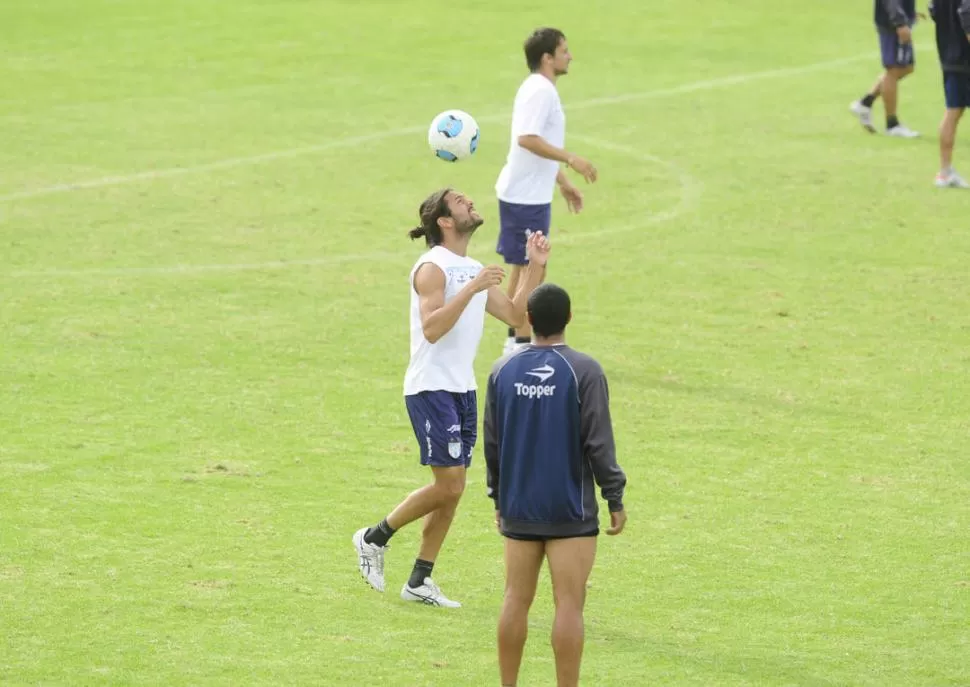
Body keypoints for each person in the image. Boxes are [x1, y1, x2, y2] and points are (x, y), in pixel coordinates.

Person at [352, 188, 550, 608]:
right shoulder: (432, 267)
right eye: (460, 201)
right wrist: (473, 287)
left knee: (453, 489)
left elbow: (516, 315)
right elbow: (432, 328)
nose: (470, 203)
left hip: (462, 388)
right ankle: (374, 537)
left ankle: (420, 579)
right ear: (444, 220)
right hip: (431, 386)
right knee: (451, 483)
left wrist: (535, 266)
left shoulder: (471, 266)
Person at [483, 283, 628, 687]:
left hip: (519, 507)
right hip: (570, 510)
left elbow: (493, 442)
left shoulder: (502, 370)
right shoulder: (585, 370)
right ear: (569, 317)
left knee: (515, 598)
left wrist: (498, 495)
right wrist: (614, 496)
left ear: (528, 318)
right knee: (569, 604)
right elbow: (598, 442)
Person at [494, 27, 599, 356]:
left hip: (531, 195)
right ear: (547, 58)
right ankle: (519, 344)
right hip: (524, 196)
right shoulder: (540, 91)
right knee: (529, 269)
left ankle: (516, 339)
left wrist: (563, 184)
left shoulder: (540, 89)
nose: (570, 56)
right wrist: (571, 159)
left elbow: (535, 144)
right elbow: (527, 138)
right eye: (564, 50)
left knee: (526, 267)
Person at [849, 0, 923, 137]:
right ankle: (892, 125)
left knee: (906, 67)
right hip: (892, 24)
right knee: (894, 70)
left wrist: (909, 14)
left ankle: (865, 103)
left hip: (897, 19)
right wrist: (900, 21)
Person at [930, 0, 970, 187]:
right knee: (953, 112)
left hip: (948, 56)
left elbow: (933, 10)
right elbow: (966, 12)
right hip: (965, 57)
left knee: (953, 111)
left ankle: (945, 172)